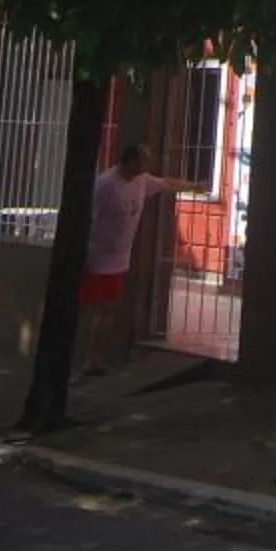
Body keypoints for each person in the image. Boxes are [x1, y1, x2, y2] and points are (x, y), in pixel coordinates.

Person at [78, 143, 172, 378]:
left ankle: (95, 359)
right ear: (130, 161)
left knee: (108, 311)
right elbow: (88, 216)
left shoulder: (141, 181)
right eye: (143, 161)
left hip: (118, 261)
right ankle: (81, 358)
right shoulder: (106, 184)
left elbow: (166, 183)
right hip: (97, 259)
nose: (147, 166)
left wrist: (195, 185)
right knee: (90, 310)